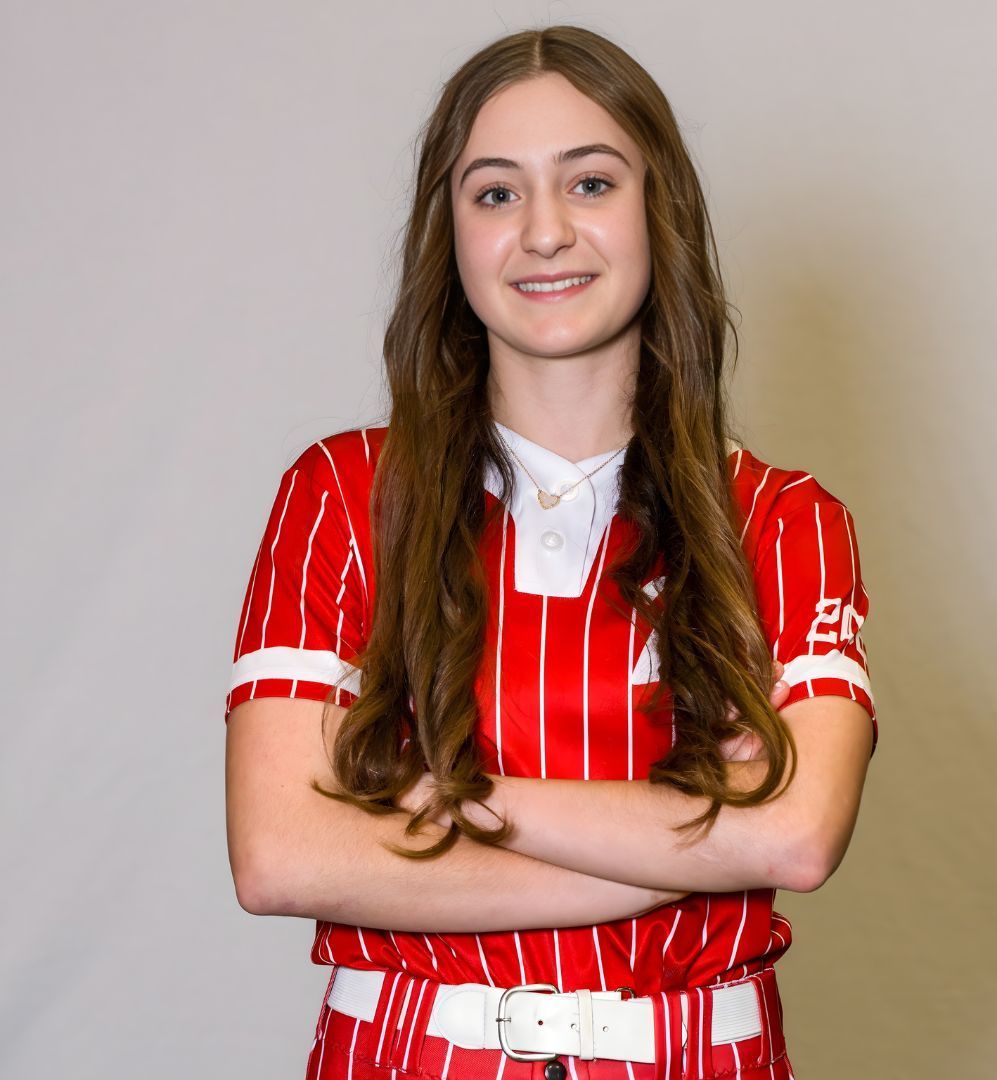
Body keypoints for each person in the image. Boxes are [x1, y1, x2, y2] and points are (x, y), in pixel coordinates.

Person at [223, 25, 877, 1080]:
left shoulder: (787, 519)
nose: (543, 232)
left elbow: (795, 837)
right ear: (451, 234)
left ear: (657, 210)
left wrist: (467, 797)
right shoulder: (342, 496)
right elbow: (280, 853)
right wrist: (695, 840)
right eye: (494, 193)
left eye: (590, 182)